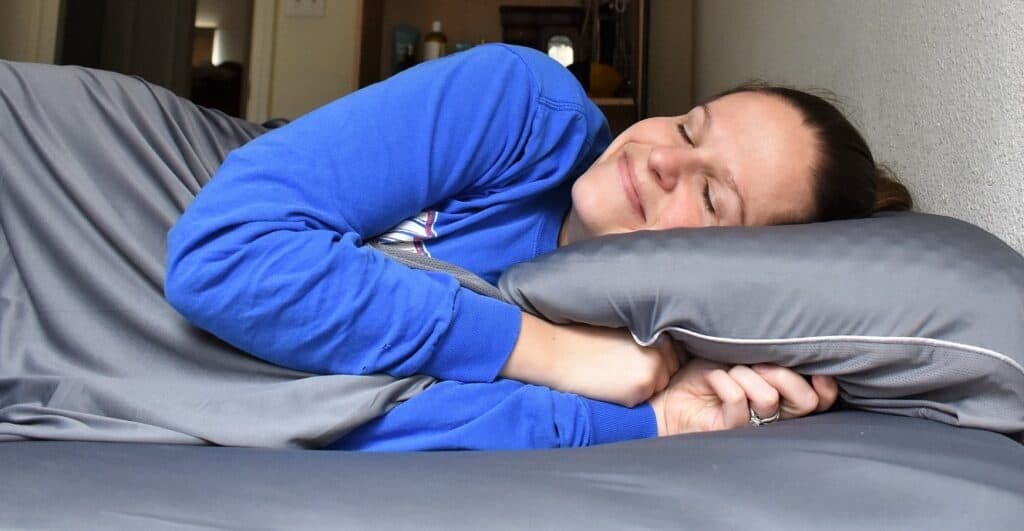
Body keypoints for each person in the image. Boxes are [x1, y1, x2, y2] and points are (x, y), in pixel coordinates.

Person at [165, 44, 911, 451]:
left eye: (712, 195)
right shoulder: (523, 108)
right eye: (689, 126)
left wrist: (656, 422)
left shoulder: (635, 357)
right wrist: (545, 351)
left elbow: (350, 424)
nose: (661, 157)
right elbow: (224, 254)